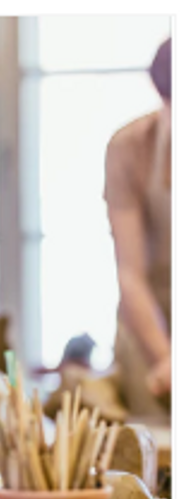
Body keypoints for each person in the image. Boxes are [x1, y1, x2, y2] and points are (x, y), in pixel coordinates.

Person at [104, 37, 172, 419]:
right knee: (156, 459)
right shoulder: (129, 148)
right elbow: (131, 275)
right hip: (147, 326)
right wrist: (165, 359)